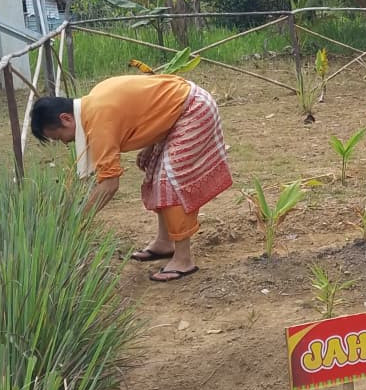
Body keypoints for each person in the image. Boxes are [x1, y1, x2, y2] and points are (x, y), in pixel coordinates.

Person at [31, 73, 232, 283]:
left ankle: (183, 259)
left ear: (66, 118)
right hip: (178, 109)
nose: (64, 143)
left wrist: (76, 220)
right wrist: (151, 144)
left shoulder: (97, 119)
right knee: (154, 171)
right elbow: (149, 108)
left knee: (171, 181)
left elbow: (109, 184)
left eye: (58, 137)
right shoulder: (93, 103)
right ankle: (165, 242)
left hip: (193, 109)